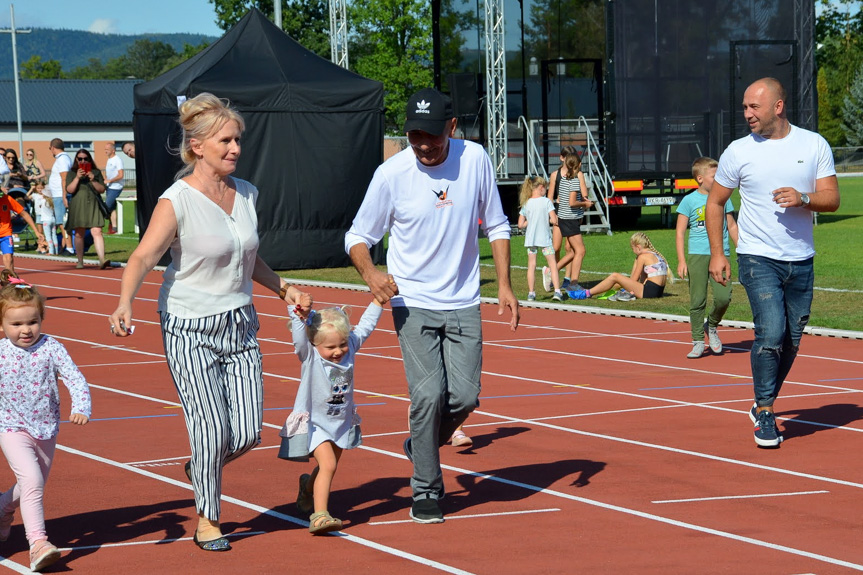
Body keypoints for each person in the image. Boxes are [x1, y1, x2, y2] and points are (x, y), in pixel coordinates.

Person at [108, 92, 312, 551]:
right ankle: (208, 520)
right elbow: (143, 256)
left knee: (246, 430)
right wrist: (125, 302)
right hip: (188, 325)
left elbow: (249, 258)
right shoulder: (176, 200)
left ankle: (202, 464)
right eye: (226, 140)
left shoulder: (248, 194)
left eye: (238, 139)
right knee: (210, 428)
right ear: (198, 146)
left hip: (239, 323)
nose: (235, 148)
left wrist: (284, 288)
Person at [345, 87, 519, 524]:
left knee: (464, 396)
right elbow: (357, 237)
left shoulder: (475, 159)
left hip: (463, 300)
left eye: (432, 137)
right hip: (412, 301)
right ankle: (426, 490)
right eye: (414, 136)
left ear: (452, 128)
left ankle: (420, 445)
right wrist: (372, 275)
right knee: (426, 396)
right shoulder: (392, 173)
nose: (423, 145)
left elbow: (496, 223)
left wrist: (505, 285)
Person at [706, 77, 840, 449]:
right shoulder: (738, 151)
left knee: (792, 341)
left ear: (778, 107)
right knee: (771, 332)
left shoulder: (813, 144)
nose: (747, 114)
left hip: (801, 260)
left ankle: (761, 401)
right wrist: (719, 253)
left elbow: (831, 199)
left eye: (754, 107)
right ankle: (766, 411)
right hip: (757, 256)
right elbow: (715, 203)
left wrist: (803, 197)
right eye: (745, 107)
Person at [0, 270, 91, 572]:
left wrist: (82, 406)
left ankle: (2, 508)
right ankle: (38, 543)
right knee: (33, 481)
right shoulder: (0, 352)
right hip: (11, 427)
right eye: (16, 324)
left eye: (32, 321)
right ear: (2, 325)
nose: (26, 330)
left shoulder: (51, 347)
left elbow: (74, 378)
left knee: (31, 484)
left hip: (46, 427)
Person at [278, 300, 383, 534]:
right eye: (331, 347)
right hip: (317, 423)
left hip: (340, 421)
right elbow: (299, 339)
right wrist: (297, 314)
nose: (338, 352)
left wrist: (378, 301)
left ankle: (307, 486)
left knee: (328, 468)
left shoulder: (350, 348)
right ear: (315, 344)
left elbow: (365, 326)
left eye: (342, 345)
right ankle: (320, 515)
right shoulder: (310, 356)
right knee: (328, 464)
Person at [675, 157, 739, 359]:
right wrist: (682, 260)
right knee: (698, 300)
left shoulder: (724, 198)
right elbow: (679, 233)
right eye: (715, 176)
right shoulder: (689, 201)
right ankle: (697, 341)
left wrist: (744, 250)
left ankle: (711, 325)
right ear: (700, 178)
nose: (719, 179)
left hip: (721, 254)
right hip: (697, 254)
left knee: (723, 297)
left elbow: (732, 226)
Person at [543, 146, 593, 293]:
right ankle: (554, 272)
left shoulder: (572, 178)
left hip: (570, 215)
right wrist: (585, 204)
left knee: (572, 251)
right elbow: (570, 201)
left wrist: (583, 200)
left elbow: (582, 194)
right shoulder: (563, 177)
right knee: (577, 250)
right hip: (566, 215)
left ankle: (566, 279)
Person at [568, 232, 669, 301]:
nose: (632, 251)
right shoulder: (656, 255)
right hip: (657, 292)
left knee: (615, 276)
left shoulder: (642, 257)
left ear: (638, 247)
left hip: (649, 292)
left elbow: (634, 279)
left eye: (632, 248)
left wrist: (623, 286)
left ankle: (586, 294)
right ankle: (621, 292)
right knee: (618, 281)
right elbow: (643, 279)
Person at [518, 176, 563, 302]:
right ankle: (557, 291)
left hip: (531, 239)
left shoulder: (527, 203)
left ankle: (531, 293)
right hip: (544, 238)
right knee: (552, 264)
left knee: (531, 265)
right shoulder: (546, 202)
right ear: (541, 188)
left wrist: (530, 221)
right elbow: (554, 220)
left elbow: (520, 224)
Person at [65, 149, 109, 269]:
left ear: (89, 159)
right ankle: (80, 261)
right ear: (76, 160)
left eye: (86, 159)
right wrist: (78, 177)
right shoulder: (72, 172)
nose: (83, 161)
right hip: (78, 205)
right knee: (79, 233)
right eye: (80, 159)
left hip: (93, 204)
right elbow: (70, 189)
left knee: (97, 231)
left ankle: (102, 259)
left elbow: (102, 189)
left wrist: (92, 179)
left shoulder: (96, 172)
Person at [0, 186, 44, 276]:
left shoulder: (7, 199)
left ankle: (10, 282)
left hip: (5, 233)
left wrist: (36, 231)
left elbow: (24, 213)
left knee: (9, 258)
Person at [47, 139, 73, 256]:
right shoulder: (62, 159)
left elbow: (64, 178)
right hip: (58, 194)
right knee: (61, 222)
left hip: (60, 195)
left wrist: (64, 195)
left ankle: (69, 247)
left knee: (63, 222)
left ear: (53, 147)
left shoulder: (62, 159)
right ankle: (65, 246)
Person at [103, 142, 124, 235]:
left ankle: (103, 224)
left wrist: (110, 181)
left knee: (106, 207)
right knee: (112, 208)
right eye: (105, 149)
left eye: (107, 149)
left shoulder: (117, 160)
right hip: (110, 187)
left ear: (113, 150)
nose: (105, 151)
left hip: (116, 187)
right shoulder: (109, 160)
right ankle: (114, 228)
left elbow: (121, 175)